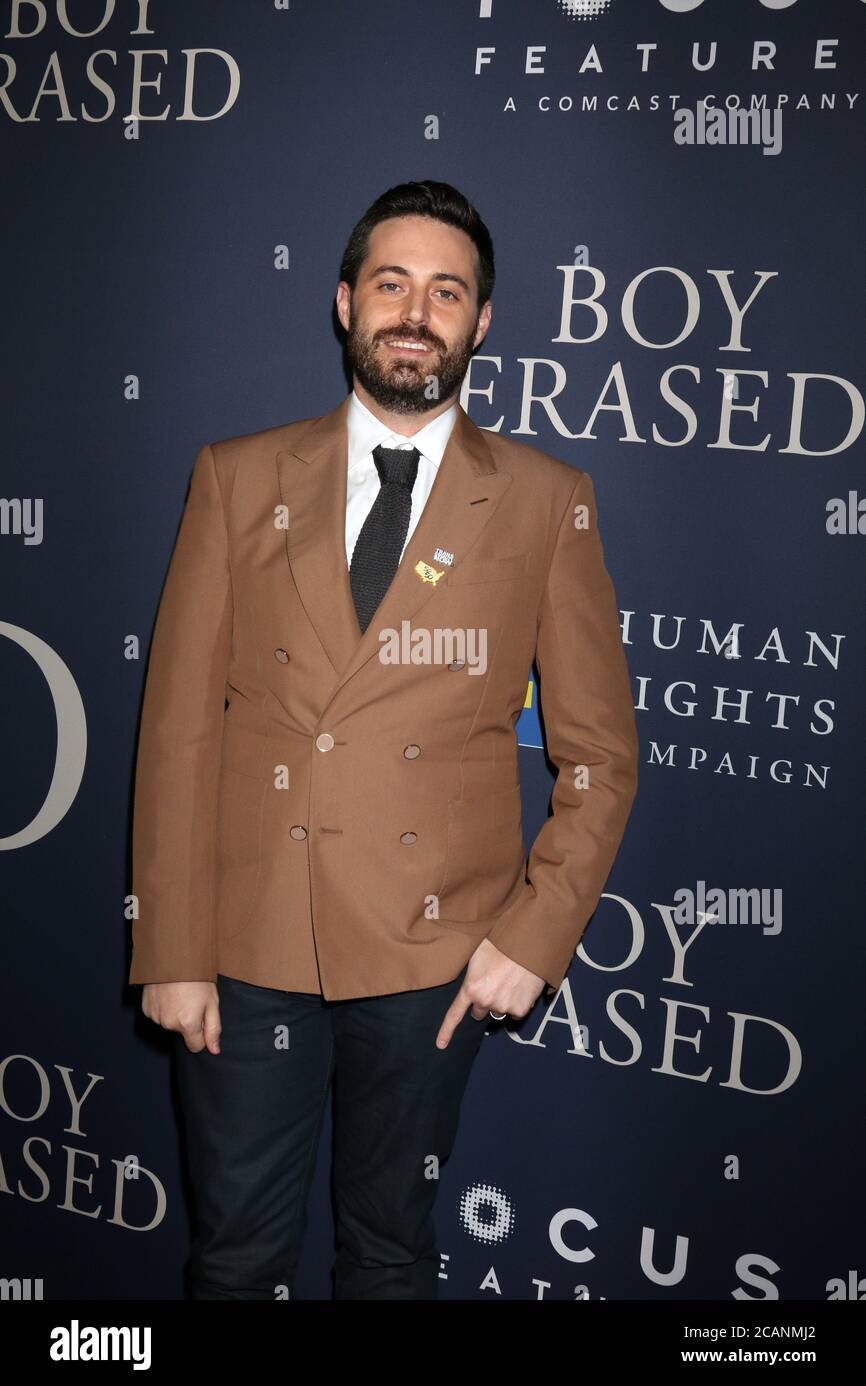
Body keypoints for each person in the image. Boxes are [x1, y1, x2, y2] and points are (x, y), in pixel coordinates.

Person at [129, 179, 639, 1300]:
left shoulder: (548, 500)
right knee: (236, 1260)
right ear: (344, 301)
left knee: (393, 1255)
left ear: (482, 321)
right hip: (247, 943)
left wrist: (531, 934)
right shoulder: (235, 475)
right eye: (393, 284)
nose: (417, 311)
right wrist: (169, 944)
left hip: (432, 957)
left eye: (446, 291)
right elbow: (174, 731)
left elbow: (598, 753)